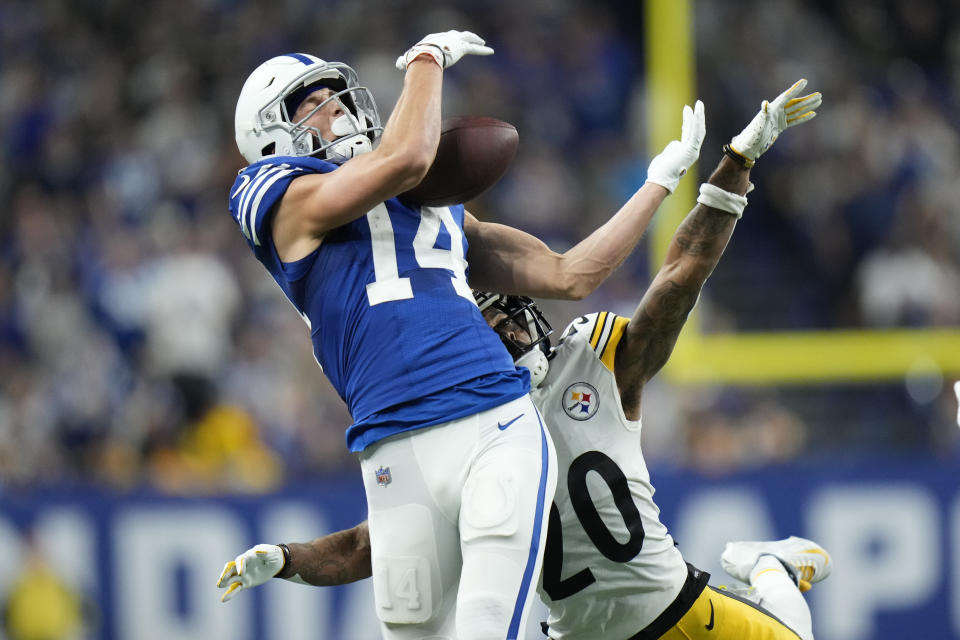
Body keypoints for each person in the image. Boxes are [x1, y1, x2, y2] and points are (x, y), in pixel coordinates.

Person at [219, 80, 832, 639]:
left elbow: (679, 275)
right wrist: (289, 559)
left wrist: (734, 166)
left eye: (510, 308)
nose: (507, 322)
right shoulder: (468, 421)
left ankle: (771, 567)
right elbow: (372, 543)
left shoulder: (590, 364)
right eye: (488, 315)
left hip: (675, 611)